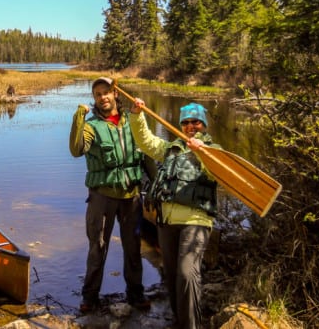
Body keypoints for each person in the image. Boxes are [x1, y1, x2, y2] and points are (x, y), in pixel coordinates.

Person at [129, 99, 220, 329]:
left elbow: (219, 172)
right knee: (170, 276)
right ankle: (179, 320)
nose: (191, 127)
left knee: (187, 273)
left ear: (204, 125)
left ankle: (191, 325)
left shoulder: (215, 151)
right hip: (166, 222)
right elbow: (146, 141)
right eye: (186, 123)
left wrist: (202, 152)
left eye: (196, 122)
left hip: (196, 221)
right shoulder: (171, 149)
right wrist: (137, 115)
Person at [69, 77, 150, 313]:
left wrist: (155, 187)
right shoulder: (91, 126)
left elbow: (148, 152)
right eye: (97, 94)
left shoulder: (132, 122)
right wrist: (78, 118)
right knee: (98, 247)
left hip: (131, 197)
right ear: (94, 99)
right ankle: (90, 297)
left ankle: (136, 294)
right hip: (101, 198)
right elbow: (76, 150)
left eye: (106, 92)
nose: (102, 97)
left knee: (133, 247)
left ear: (116, 94)